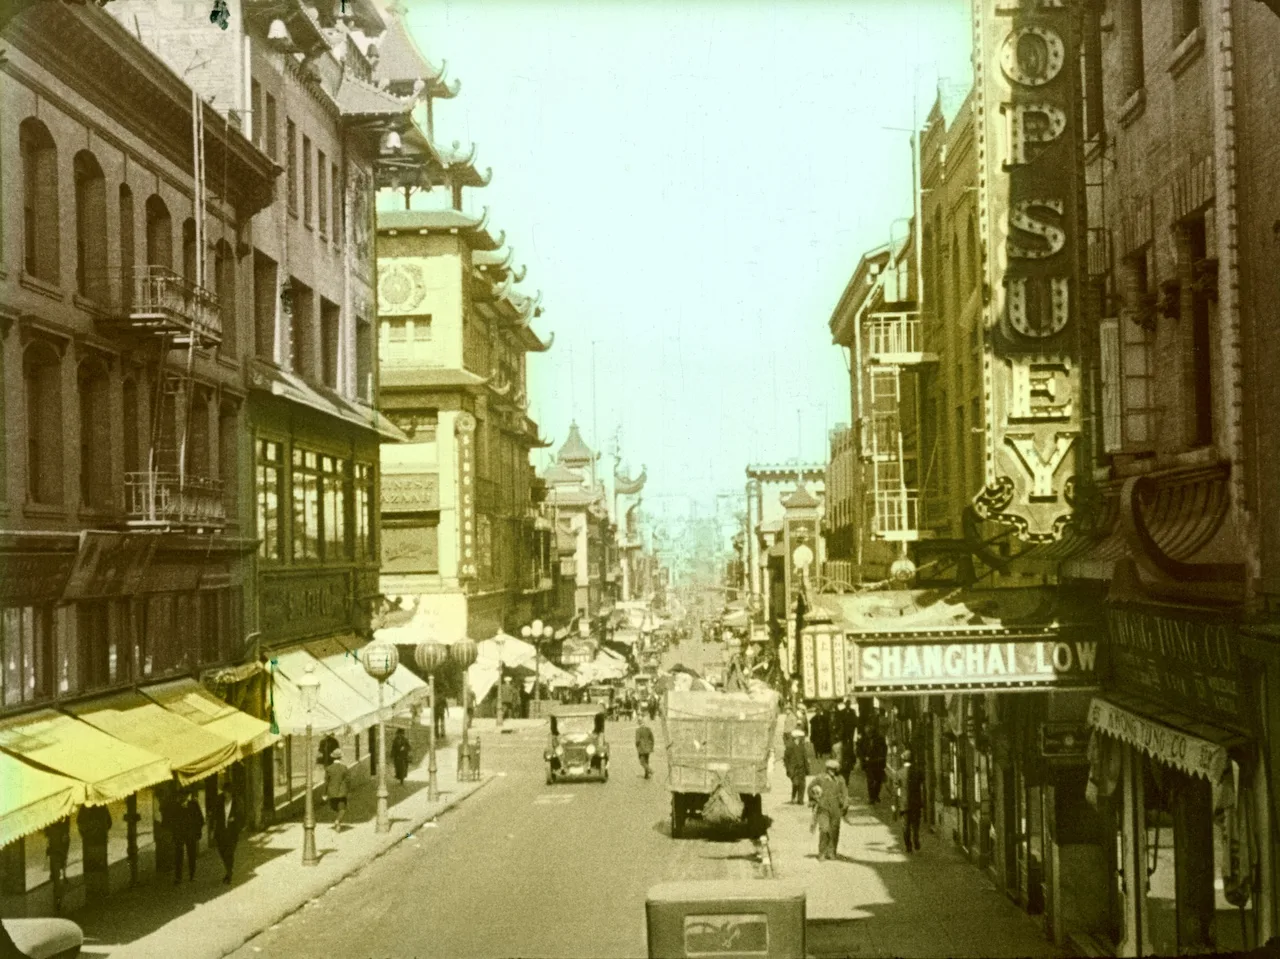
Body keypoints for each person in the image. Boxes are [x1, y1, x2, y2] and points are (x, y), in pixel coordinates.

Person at [810, 758, 849, 861]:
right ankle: (822, 852)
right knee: (824, 829)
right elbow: (810, 788)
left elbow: (845, 793)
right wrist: (814, 799)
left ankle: (832, 852)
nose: (831, 771)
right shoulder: (820, 778)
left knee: (834, 830)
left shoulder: (840, 780)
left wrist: (845, 805)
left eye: (834, 769)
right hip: (823, 807)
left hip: (836, 808)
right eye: (829, 769)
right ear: (826, 769)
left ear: (837, 770)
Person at [211, 782, 243, 884]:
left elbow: (242, 816)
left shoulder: (237, 802)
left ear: (231, 792)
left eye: (228, 792)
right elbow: (214, 816)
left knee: (229, 853)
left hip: (232, 833)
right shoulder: (219, 801)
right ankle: (229, 870)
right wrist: (212, 829)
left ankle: (229, 874)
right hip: (221, 832)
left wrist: (235, 819)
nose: (226, 794)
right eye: (224, 792)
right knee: (222, 852)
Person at [174, 792, 203, 884]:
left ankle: (192, 875)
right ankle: (178, 877)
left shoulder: (194, 805)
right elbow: (172, 821)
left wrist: (196, 831)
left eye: (185, 795)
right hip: (180, 835)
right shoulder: (176, 806)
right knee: (179, 856)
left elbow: (200, 819)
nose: (183, 797)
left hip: (191, 834)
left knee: (192, 855)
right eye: (182, 796)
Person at [900, 749, 926, 852]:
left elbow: (897, 790)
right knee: (915, 824)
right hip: (916, 803)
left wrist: (896, 805)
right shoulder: (918, 771)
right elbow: (923, 787)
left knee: (905, 826)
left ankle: (908, 846)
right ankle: (915, 838)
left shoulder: (899, 772)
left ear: (903, 760)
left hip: (904, 804)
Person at [324, 748, 350, 831]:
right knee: (342, 809)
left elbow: (326, 782)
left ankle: (338, 823)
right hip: (342, 792)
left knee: (334, 807)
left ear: (333, 758)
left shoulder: (328, 768)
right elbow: (348, 781)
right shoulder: (344, 768)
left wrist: (324, 793)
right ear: (340, 758)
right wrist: (348, 791)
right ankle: (337, 821)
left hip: (332, 793)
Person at [862, 724, 888, 805]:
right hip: (869, 763)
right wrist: (864, 757)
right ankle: (871, 798)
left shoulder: (880, 739)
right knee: (870, 781)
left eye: (870, 733)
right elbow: (861, 749)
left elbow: (884, 749)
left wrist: (882, 757)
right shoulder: (864, 739)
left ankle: (876, 795)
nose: (868, 734)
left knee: (878, 780)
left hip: (878, 762)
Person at [783, 728, 809, 804]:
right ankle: (793, 797)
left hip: (802, 768)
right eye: (800, 737)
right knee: (795, 783)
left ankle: (800, 800)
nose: (801, 739)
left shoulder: (802, 746)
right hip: (793, 769)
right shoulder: (790, 746)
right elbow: (786, 758)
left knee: (802, 784)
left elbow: (805, 758)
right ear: (796, 738)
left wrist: (807, 768)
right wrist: (788, 768)